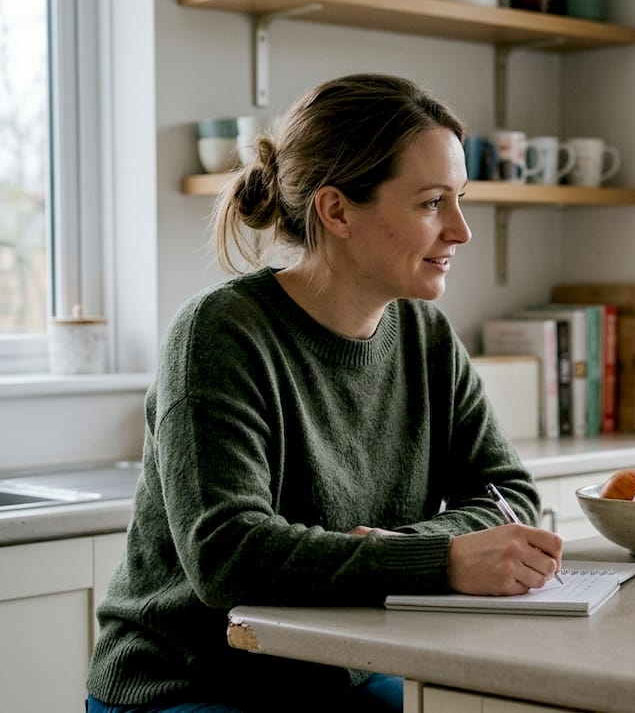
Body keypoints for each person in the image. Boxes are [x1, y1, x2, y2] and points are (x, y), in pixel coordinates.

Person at [86, 73, 563, 711]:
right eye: (430, 203)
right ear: (336, 210)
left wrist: (408, 549)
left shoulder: (426, 335)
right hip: (194, 687)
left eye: (459, 198)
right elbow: (228, 557)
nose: (460, 230)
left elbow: (508, 496)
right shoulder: (220, 334)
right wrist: (441, 560)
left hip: (344, 671)